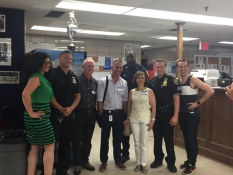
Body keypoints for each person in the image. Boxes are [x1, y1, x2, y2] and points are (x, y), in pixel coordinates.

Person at [176, 59, 214, 175]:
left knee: (192, 139)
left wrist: (198, 103)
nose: (182, 69)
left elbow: (210, 90)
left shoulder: (193, 79)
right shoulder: (177, 81)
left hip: (193, 115)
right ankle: (189, 160)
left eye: (184, 67)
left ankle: (192, 165)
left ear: (187, 67)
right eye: (180, 67)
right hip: (182, 114)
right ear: (177, 69)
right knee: (186, 139)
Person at [22, 52, 55, 175]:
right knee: (50, 146)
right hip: (39, 117)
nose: (47, 65)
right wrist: (31, 113)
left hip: (38, 117)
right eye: (45, 62)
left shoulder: (41, 77)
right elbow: (25, 94)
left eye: (49, 62)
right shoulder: (36, 77)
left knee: (35, 147)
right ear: (37, 63)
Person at [49, 50, 81, 175]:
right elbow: (50, 95)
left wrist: (70, 109)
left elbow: (77, 95)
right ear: (60, 59)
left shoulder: (73, 77)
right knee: (51, 145)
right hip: (55, 115)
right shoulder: (52, 75)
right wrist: (60, 108)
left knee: (66, 144)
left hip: (69, 116)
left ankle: (62, 171)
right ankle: (47, 170)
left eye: (70, 59)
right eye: (66, 58)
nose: (69, 61)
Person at [97, 60, 128, 172]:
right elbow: (99, 100)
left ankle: (118, 160)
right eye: (116, 67)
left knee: (118, 139)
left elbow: (125, 101)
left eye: (120, 68)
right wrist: (101, 115)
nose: (119, 69)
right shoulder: (103, 81)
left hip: (119, 114)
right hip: (106, 113)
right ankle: (104, 161)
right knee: (105, 139)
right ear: (111, 67)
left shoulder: (124, 83)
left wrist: (125, 115)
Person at [149, 59, 180, 173]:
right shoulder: (152, 82)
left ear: (165, 67)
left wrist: (175, 115)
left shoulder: (172, 80)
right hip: (156, 115)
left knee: (168, 140)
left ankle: (171, 163)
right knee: (157, 139)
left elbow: (176, 99)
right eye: (157, 67)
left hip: (168, 115)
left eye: (161, 67)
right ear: (155, 68)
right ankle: (158, 160)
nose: (159, 69)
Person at [123, 71, 156, 174]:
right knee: (137, 142)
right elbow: (129, 106)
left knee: (144, 143)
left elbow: (154, 106)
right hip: (134, 119)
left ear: (145, 79)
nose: (140, 80)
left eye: (142, 78)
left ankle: (144, 164)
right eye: (138, 78)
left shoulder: (149, 91)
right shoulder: (132, 91)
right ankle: (138, 163)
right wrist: (127, 118)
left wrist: (152, 120)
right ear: (135, 79)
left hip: (146, 119)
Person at [120, 49, 148, 163]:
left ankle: (142, 157)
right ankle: (125, 153)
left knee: (141, 134)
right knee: (125, 130)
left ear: (135, 56)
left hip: (139, 104)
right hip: (126, 103)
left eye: (131, 56)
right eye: (127, 57)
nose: (129, 58)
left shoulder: (141, 69)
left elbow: (147, 85)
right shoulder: (123, 69)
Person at [73, 59, 98, 175]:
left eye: (92, 67)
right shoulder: (77, 80)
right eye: (88, 66)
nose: (90, 68)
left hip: (91, 114)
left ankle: (85, 161)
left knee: (87, 140)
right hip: (79, 114)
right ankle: (77, 163)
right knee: (77, 139)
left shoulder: (95, 82)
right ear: (83, 67)